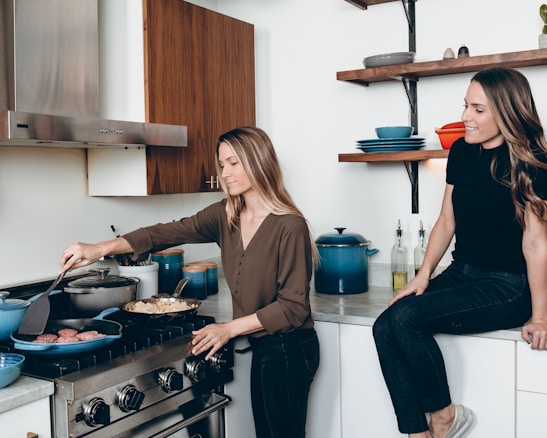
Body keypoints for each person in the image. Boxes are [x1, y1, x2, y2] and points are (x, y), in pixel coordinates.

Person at [60, 126, 321, 438]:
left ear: (258, 161)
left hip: (289, 349)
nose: (226, 173)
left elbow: (293, 309)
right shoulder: (228, 215)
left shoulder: (290, 226)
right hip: (263, 344)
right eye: (222, 165)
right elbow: (165, 233)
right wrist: (100, 248)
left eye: (234, 163)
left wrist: (228, 329)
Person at [373, 67, 547, 438]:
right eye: (465, 106)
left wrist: (540, 316)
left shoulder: (533, 162)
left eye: (478, 109)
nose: (465, 117)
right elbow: (446, 220)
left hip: (509, 285)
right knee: (384, 324)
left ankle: (445, 416)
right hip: (462, 271)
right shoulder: (462, 154)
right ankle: (417, 433)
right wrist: (423, 276)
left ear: (508, 112)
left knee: (405, 320)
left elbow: (535, 243)